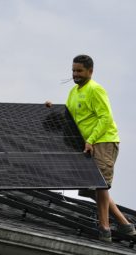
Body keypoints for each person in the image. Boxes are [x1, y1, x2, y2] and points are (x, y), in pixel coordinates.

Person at [46, 54, 136, 242]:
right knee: (90, 188)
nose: (75, 74)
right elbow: (68, 117)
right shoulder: (73, 92)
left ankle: (104, 228)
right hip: (86, 143)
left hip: (103, 140)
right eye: (73, 70)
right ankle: (125, 224)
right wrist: (51, 109)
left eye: (79, 71)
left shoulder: (96, 90)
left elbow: (106, 118)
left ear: (90, 71)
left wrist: (92, 140)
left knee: (99, 182)